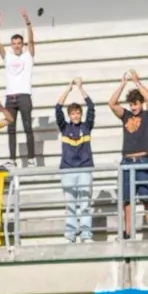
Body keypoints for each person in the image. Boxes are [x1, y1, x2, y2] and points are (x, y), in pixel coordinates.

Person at [108, 72, 148, 240]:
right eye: (131, 104)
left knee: (147, 197)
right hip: (127, 160)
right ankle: (128, 232)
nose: (134, 107)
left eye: (136, 104)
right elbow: (112, 103)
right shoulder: (126, 116)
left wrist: (137, 83)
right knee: (127, 201)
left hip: (144, 159)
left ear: (140, 103)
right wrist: (122, 84)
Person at [55, 78, 95, 244]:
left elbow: (91, 107)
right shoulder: (65, 127)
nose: (76, 115)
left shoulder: (86, 126)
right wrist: (68, 89)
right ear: (69, 115)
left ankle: (85, 235)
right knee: (71, 205)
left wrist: (81, 88)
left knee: (85, 204)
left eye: (78, 113)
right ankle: (70, 235)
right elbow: (57, 108)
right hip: (68, 170)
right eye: (73, 113)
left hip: (85, 169)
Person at [0, 10, 37, 164]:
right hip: (10, 97)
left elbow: (32, 42)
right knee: (10, 129)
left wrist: (28, 22)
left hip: (24, 95)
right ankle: (12, 159)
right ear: (11, 45)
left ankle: (31, 158)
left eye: (19, 43)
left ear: (22, 44)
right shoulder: (8, 57)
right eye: (14, 43)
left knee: (27, 127)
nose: (17, 46)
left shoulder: (28, 56)